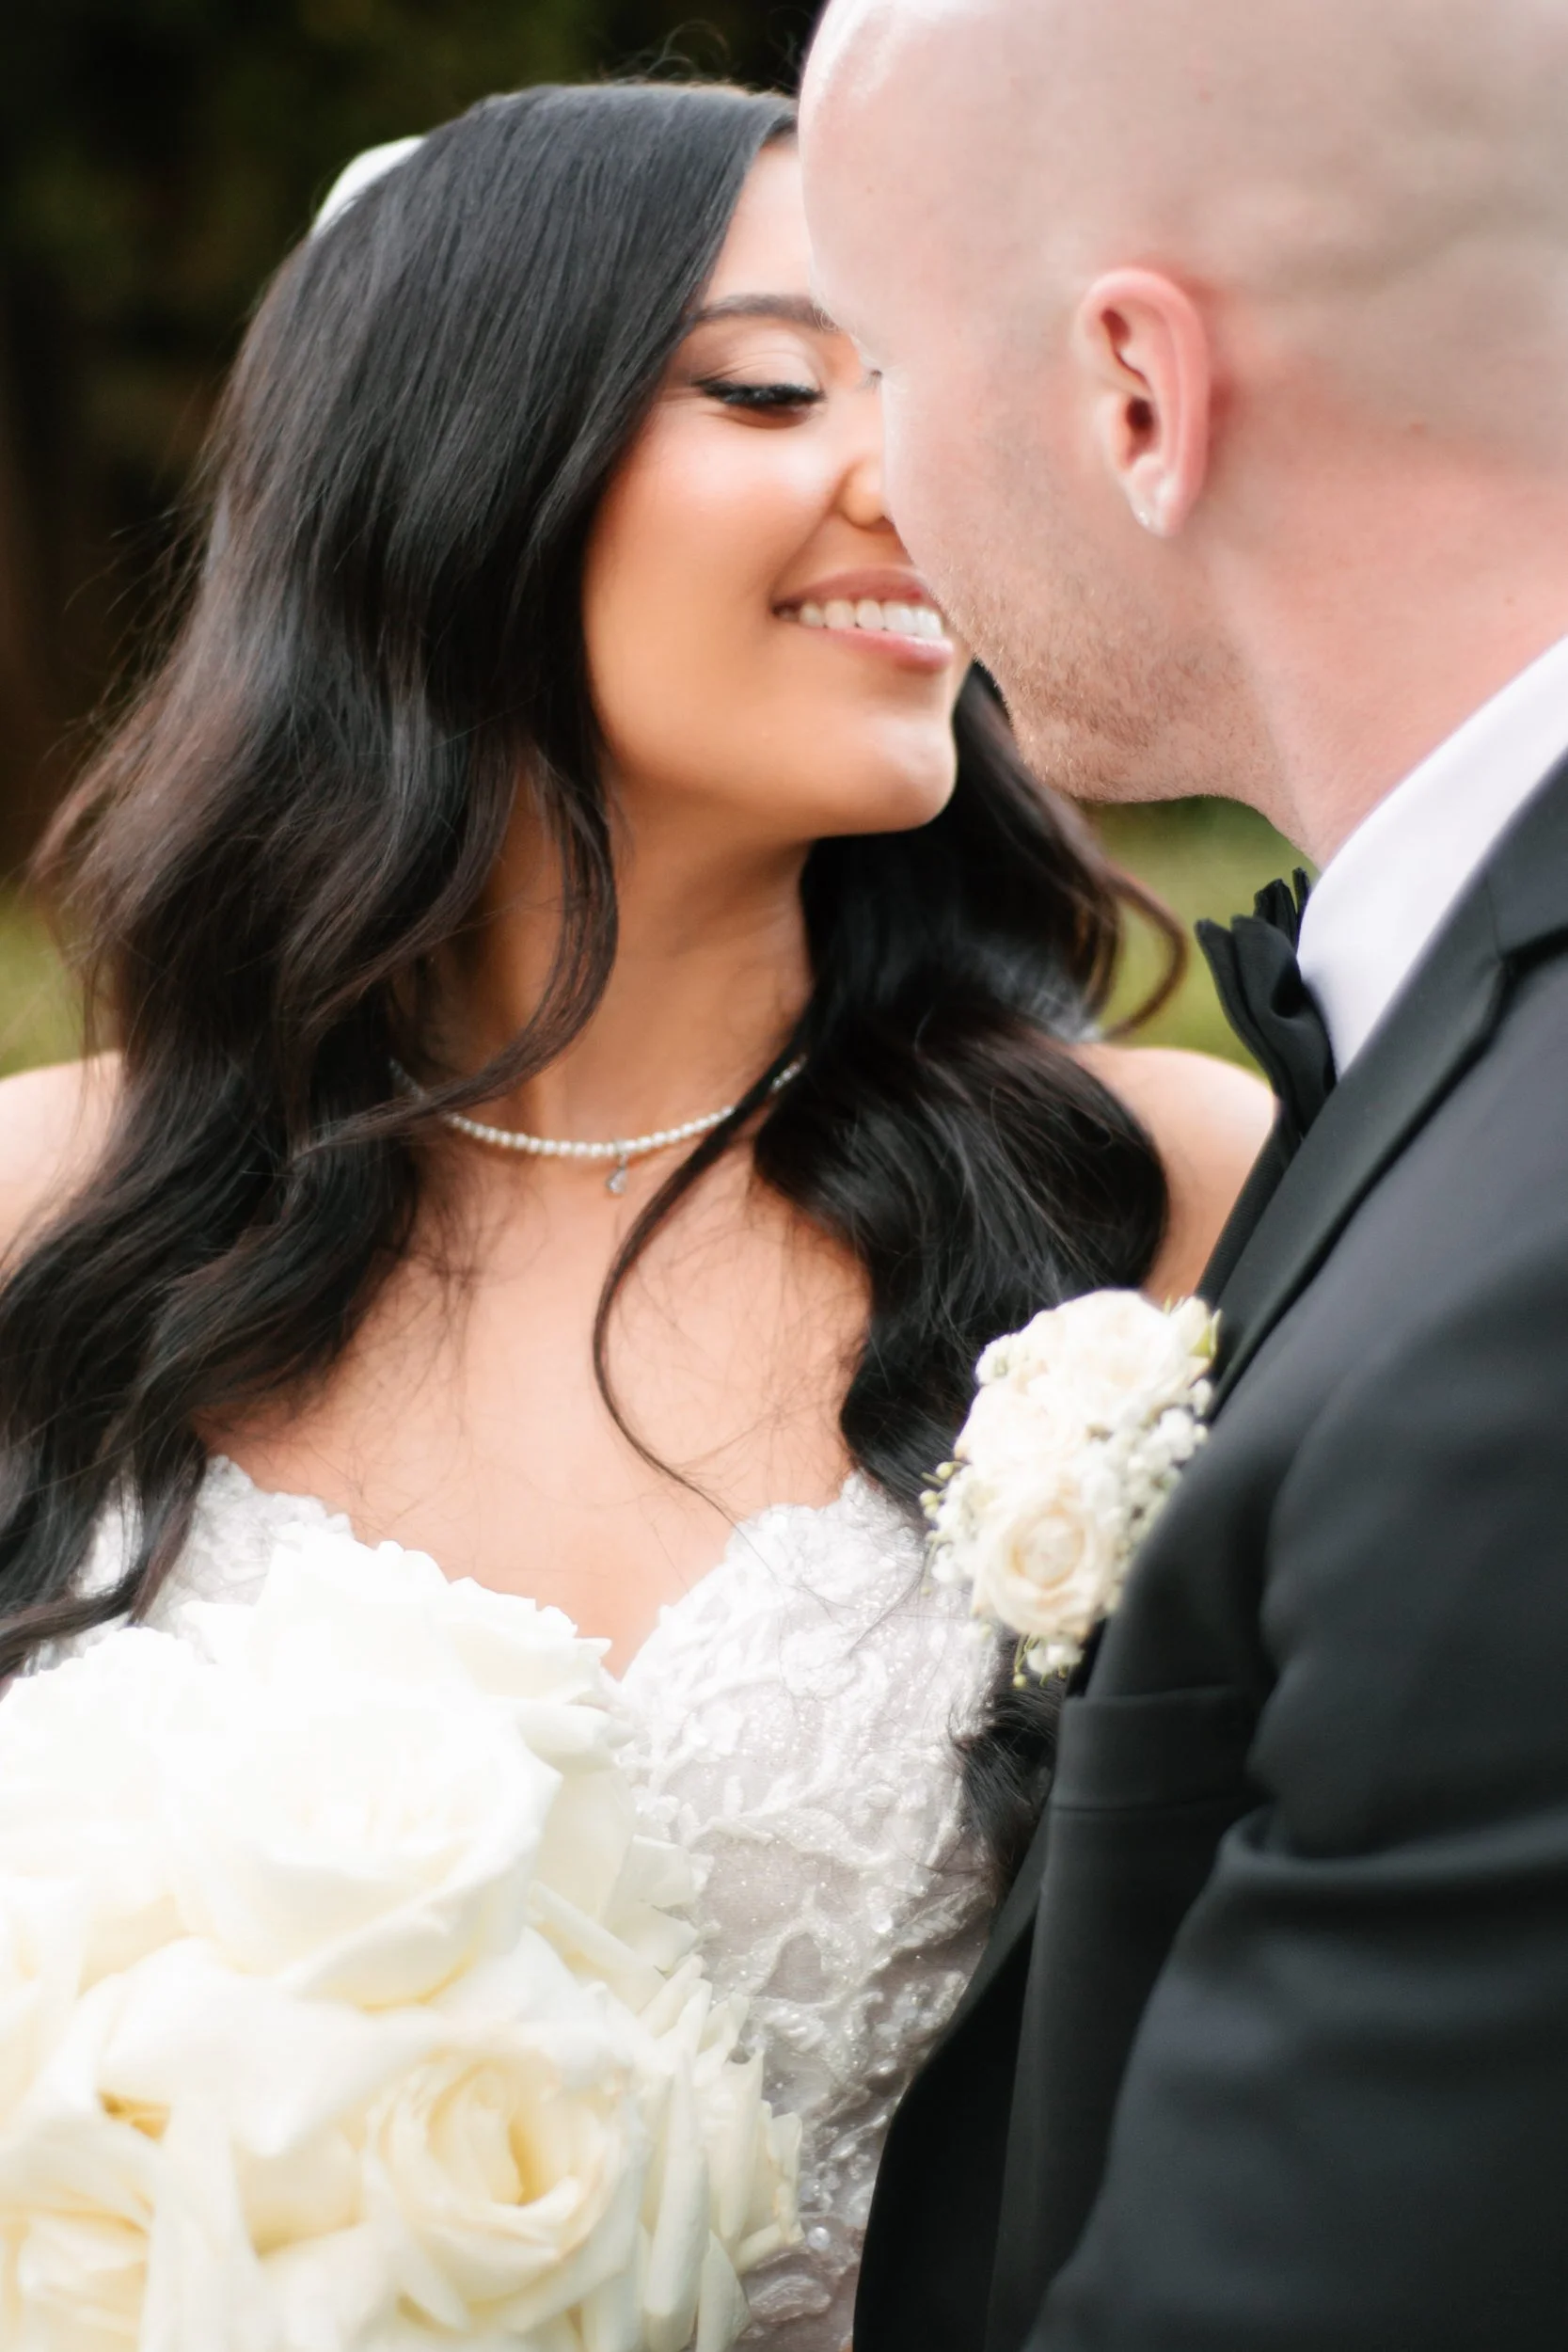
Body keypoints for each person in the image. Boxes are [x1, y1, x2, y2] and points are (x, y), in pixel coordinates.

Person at [0, 82, 1267, 2347]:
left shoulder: (1158, 1195)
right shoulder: (42, 1206)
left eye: (933, 389)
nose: (913, 475)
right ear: (457, 459)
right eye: (778, 384)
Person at [800, 1, 1568, 2345]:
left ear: (1136, 396)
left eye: (884, 368)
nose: (886, 493)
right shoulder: (1459, 1061)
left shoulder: (1506, 1344)